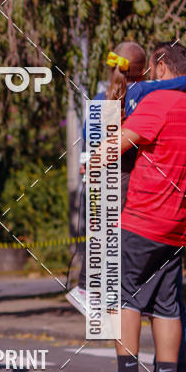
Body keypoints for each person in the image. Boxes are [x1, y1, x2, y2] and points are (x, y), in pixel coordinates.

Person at [89, 42, 186, 372]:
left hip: (144, 217)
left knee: (121, 297)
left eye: (152, 69)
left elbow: (118, 144)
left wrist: (92, 163)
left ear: (162, 66)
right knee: (166, 304)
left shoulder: (158, 103)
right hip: (179, 224)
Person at [67, 42, 146, 315]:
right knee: (113, 235)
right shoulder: (139, 100)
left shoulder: (100, 99)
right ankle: (87, 290)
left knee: (101, 233)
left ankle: (89, 289)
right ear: (143, 72)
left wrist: (86, 163)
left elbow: (89, 138)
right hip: (121, 175)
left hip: (97, 175)